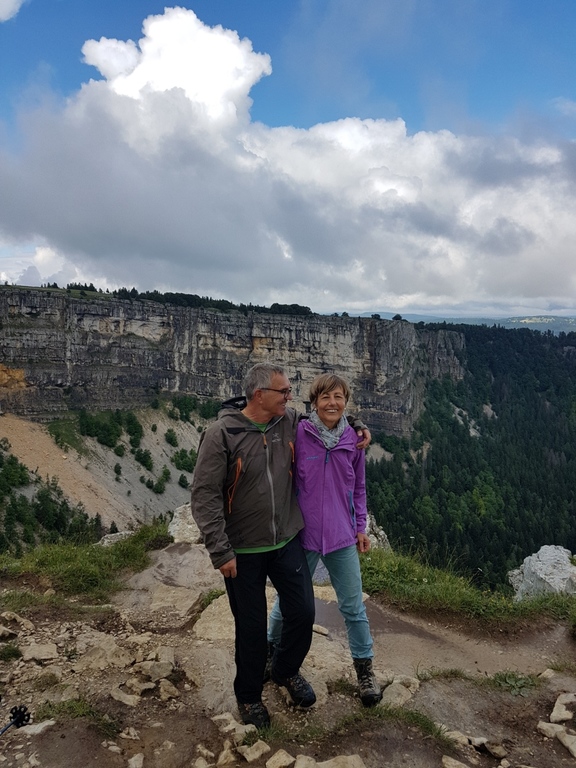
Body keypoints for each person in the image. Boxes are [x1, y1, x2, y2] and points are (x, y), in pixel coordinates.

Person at [189, 363, 317, 729]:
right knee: (250, 627)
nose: (290, 397)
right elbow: (204, 494)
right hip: (242, 549)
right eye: (284, 392)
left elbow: (326, 420)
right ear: (259, 394)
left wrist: (355, 426)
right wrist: (220, 549)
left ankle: (285, 670)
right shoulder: (222, 434)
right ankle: (248, 696)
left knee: (303, 611)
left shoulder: (288, 421)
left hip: (286, 539)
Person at [268, 373, 382, 707]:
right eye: (325, 398)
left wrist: (361, 526)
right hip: (302, 535)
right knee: (286, 604)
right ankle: (271, 652)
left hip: (342, 537)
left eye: (338, 397)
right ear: (314, 402)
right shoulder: (300, 433)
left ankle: (364, 670)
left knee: (352, 606)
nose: (332, 403)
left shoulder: (353, 441)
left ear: (346, 402)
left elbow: (358, 488)